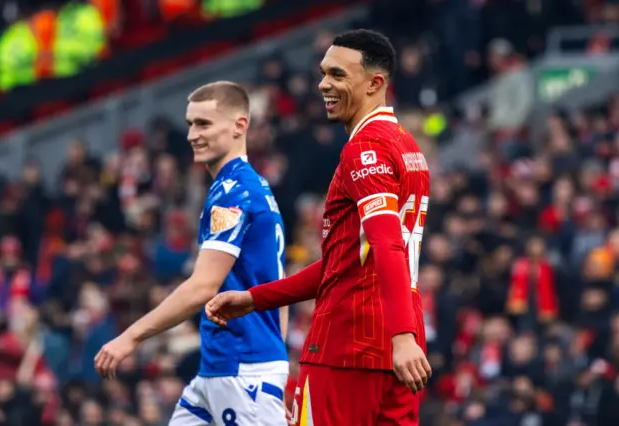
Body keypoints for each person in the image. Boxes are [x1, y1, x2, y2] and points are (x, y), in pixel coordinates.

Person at [205, 30, 432, 425]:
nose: (323, 84)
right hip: (398, 347)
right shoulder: (407, 147)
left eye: (338, 75)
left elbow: (386, 244)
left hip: (348, 345)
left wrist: (402, 337)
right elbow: (344, 263)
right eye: (324, 73)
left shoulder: (365, 150)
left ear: (375, 83)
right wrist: (255, 299)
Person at [94, 81, 290, 426]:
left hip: (241, 370)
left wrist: (130, 338)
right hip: (224, 368)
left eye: (203, 124)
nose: (192, 135)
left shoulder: (234, 193)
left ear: (239, 126)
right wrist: (276, 367)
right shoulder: (253, 187)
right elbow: (280, 286)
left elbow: (203, 287)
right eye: (190, 124)